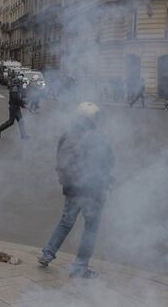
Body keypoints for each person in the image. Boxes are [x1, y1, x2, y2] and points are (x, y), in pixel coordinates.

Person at [38, 102, 114, 279]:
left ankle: (47, 254)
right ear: (92, 118)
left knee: (66, 222)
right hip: (92, 189)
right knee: (91, 227)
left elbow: (60, 158)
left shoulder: (67, 134)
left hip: (72, 187)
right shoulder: (97, 138)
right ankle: (80, 266)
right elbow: (109, 161)